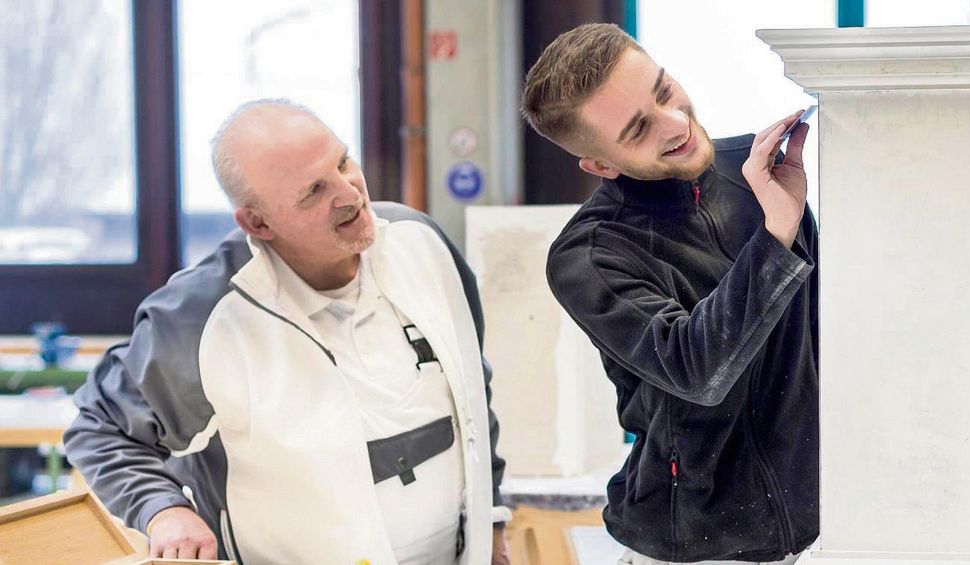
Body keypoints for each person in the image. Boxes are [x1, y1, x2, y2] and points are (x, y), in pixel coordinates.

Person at [64, 99, 511, 565]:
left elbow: (471, 392)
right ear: (258, 223)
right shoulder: (203, 316)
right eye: (314, 190)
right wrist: (163, 510)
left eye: (343, 162)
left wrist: (492, 522)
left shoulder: (424, 243)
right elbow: (101, 428)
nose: (350, 195)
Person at [522, 23, 819, 565]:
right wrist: (776, 236)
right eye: (638, 129)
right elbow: (695, 370)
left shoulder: (755, 177)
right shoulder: (588, 256)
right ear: (601, 165)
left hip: (817, 523)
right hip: (691, 544)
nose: (676, 123)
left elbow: (824, 333)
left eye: (664, 91)